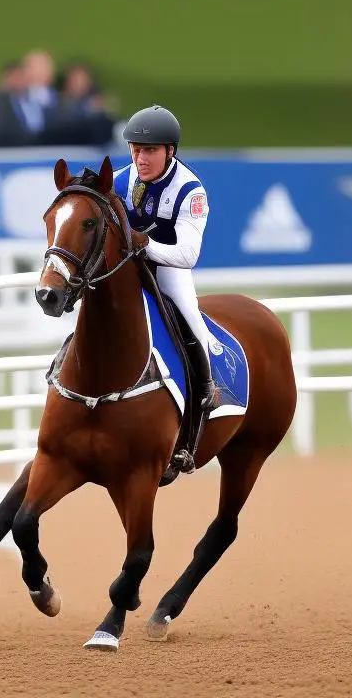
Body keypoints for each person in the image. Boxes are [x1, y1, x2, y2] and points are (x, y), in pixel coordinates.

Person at [113, 105, 216, 473]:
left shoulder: (190, 189)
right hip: (126, 271)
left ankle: (204, 396)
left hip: (167, 268)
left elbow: (188, 254)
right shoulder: (121, 181)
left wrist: (144, 246)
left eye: (150, 150)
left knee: (193, 325)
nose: (141, 158)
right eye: (135, 149)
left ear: (170, 151)